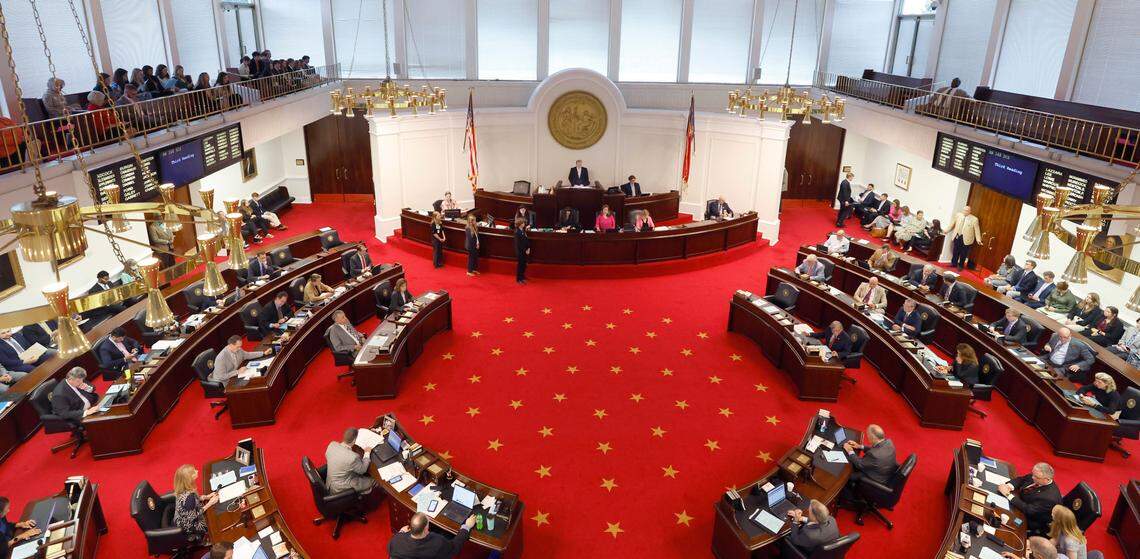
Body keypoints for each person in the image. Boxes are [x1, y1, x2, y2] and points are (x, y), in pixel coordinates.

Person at [997, 462, 1062, 537]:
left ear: (1047, 479)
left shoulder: (1049, 498)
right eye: (1033, 474)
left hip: (1029, 519)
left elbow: (1028, 509)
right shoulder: (1036, 476)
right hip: (1019, 503)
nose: (1032, 477)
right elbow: (1021, 479)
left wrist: (1008, 495)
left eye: (1036, 477)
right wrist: (1008, 486)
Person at [388, 511, 475, 559]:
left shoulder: (396, 539)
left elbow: (391, 551)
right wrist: (466, 526)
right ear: (426, 529)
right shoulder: (437, 543)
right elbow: (454, 548)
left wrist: (401, 532)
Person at [172, 464, 217, 545]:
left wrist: (206, 497)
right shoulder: (189, 499)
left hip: (179, 517)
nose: (197, 471)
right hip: (188, 525)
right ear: (189, 479)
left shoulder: (182, 488)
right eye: (194, 472)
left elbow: (195, 499)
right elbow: (193, 518)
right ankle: (206, 541)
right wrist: (209, 503)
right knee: (214, 522)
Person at [325, 428, 378, 496]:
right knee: (375, 480)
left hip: (330, 482)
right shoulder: (352, 457)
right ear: (354, 440)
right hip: (340, 487)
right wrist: (367, 453)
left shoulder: (332, 445)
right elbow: (363, 470)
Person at [842, 424, 897, 488]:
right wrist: (859, 446)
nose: (867, 437)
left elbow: (859, 464)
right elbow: (876, 449)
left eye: (868, 435)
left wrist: (850, 451)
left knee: (845, 476)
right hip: (885, 471)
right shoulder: (888, 442)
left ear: (873, 438)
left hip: (876, 479)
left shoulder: (874, 455)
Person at [945, 205, 983, 270]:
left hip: (967, 239)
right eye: (964, 210)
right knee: (955, 251)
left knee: (963, 253)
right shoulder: (958, 215)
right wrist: (946, 230)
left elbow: (977, 230)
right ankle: (953, 263)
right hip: (957, 236)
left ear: (970, 211)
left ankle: (961, 265)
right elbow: (952, 224)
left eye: (967, 211)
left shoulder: (974, 219)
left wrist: (978, 240)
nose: (965, 212)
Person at [515, 217, 530, 284]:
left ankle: (522, 276)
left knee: (524, 265)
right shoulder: (517, 232)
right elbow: (519, 245)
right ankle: (519, 279)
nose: (524, 224)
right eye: (523, 222)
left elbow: (526, 240)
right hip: (521, 252)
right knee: (520, 265)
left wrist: (528, 248)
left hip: (525, 251)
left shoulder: (523, 230)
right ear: (520, 224)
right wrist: (525, 251)